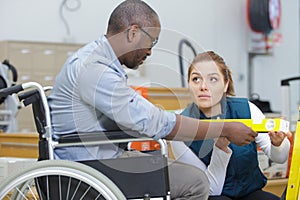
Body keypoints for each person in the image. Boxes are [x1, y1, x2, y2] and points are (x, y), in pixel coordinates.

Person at [48, 1, 257, 199]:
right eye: (152, 41)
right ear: (133, 32)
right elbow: (149, 122)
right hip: (90, 167)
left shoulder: (99, 62)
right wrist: (224, 129)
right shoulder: (95, 70)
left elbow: (135, 117)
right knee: (196, 182)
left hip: (99, 156)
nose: (150, 50)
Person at [170, 51, 291, 200]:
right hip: (210, 195)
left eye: (212, 79)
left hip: (250, 192)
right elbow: (209, 189)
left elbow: (279, 158)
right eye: (196, 79)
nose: (203, 86)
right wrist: (220, 149)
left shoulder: (246, 109)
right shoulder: (181, 128)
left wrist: (278, 144)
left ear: (226, 84)